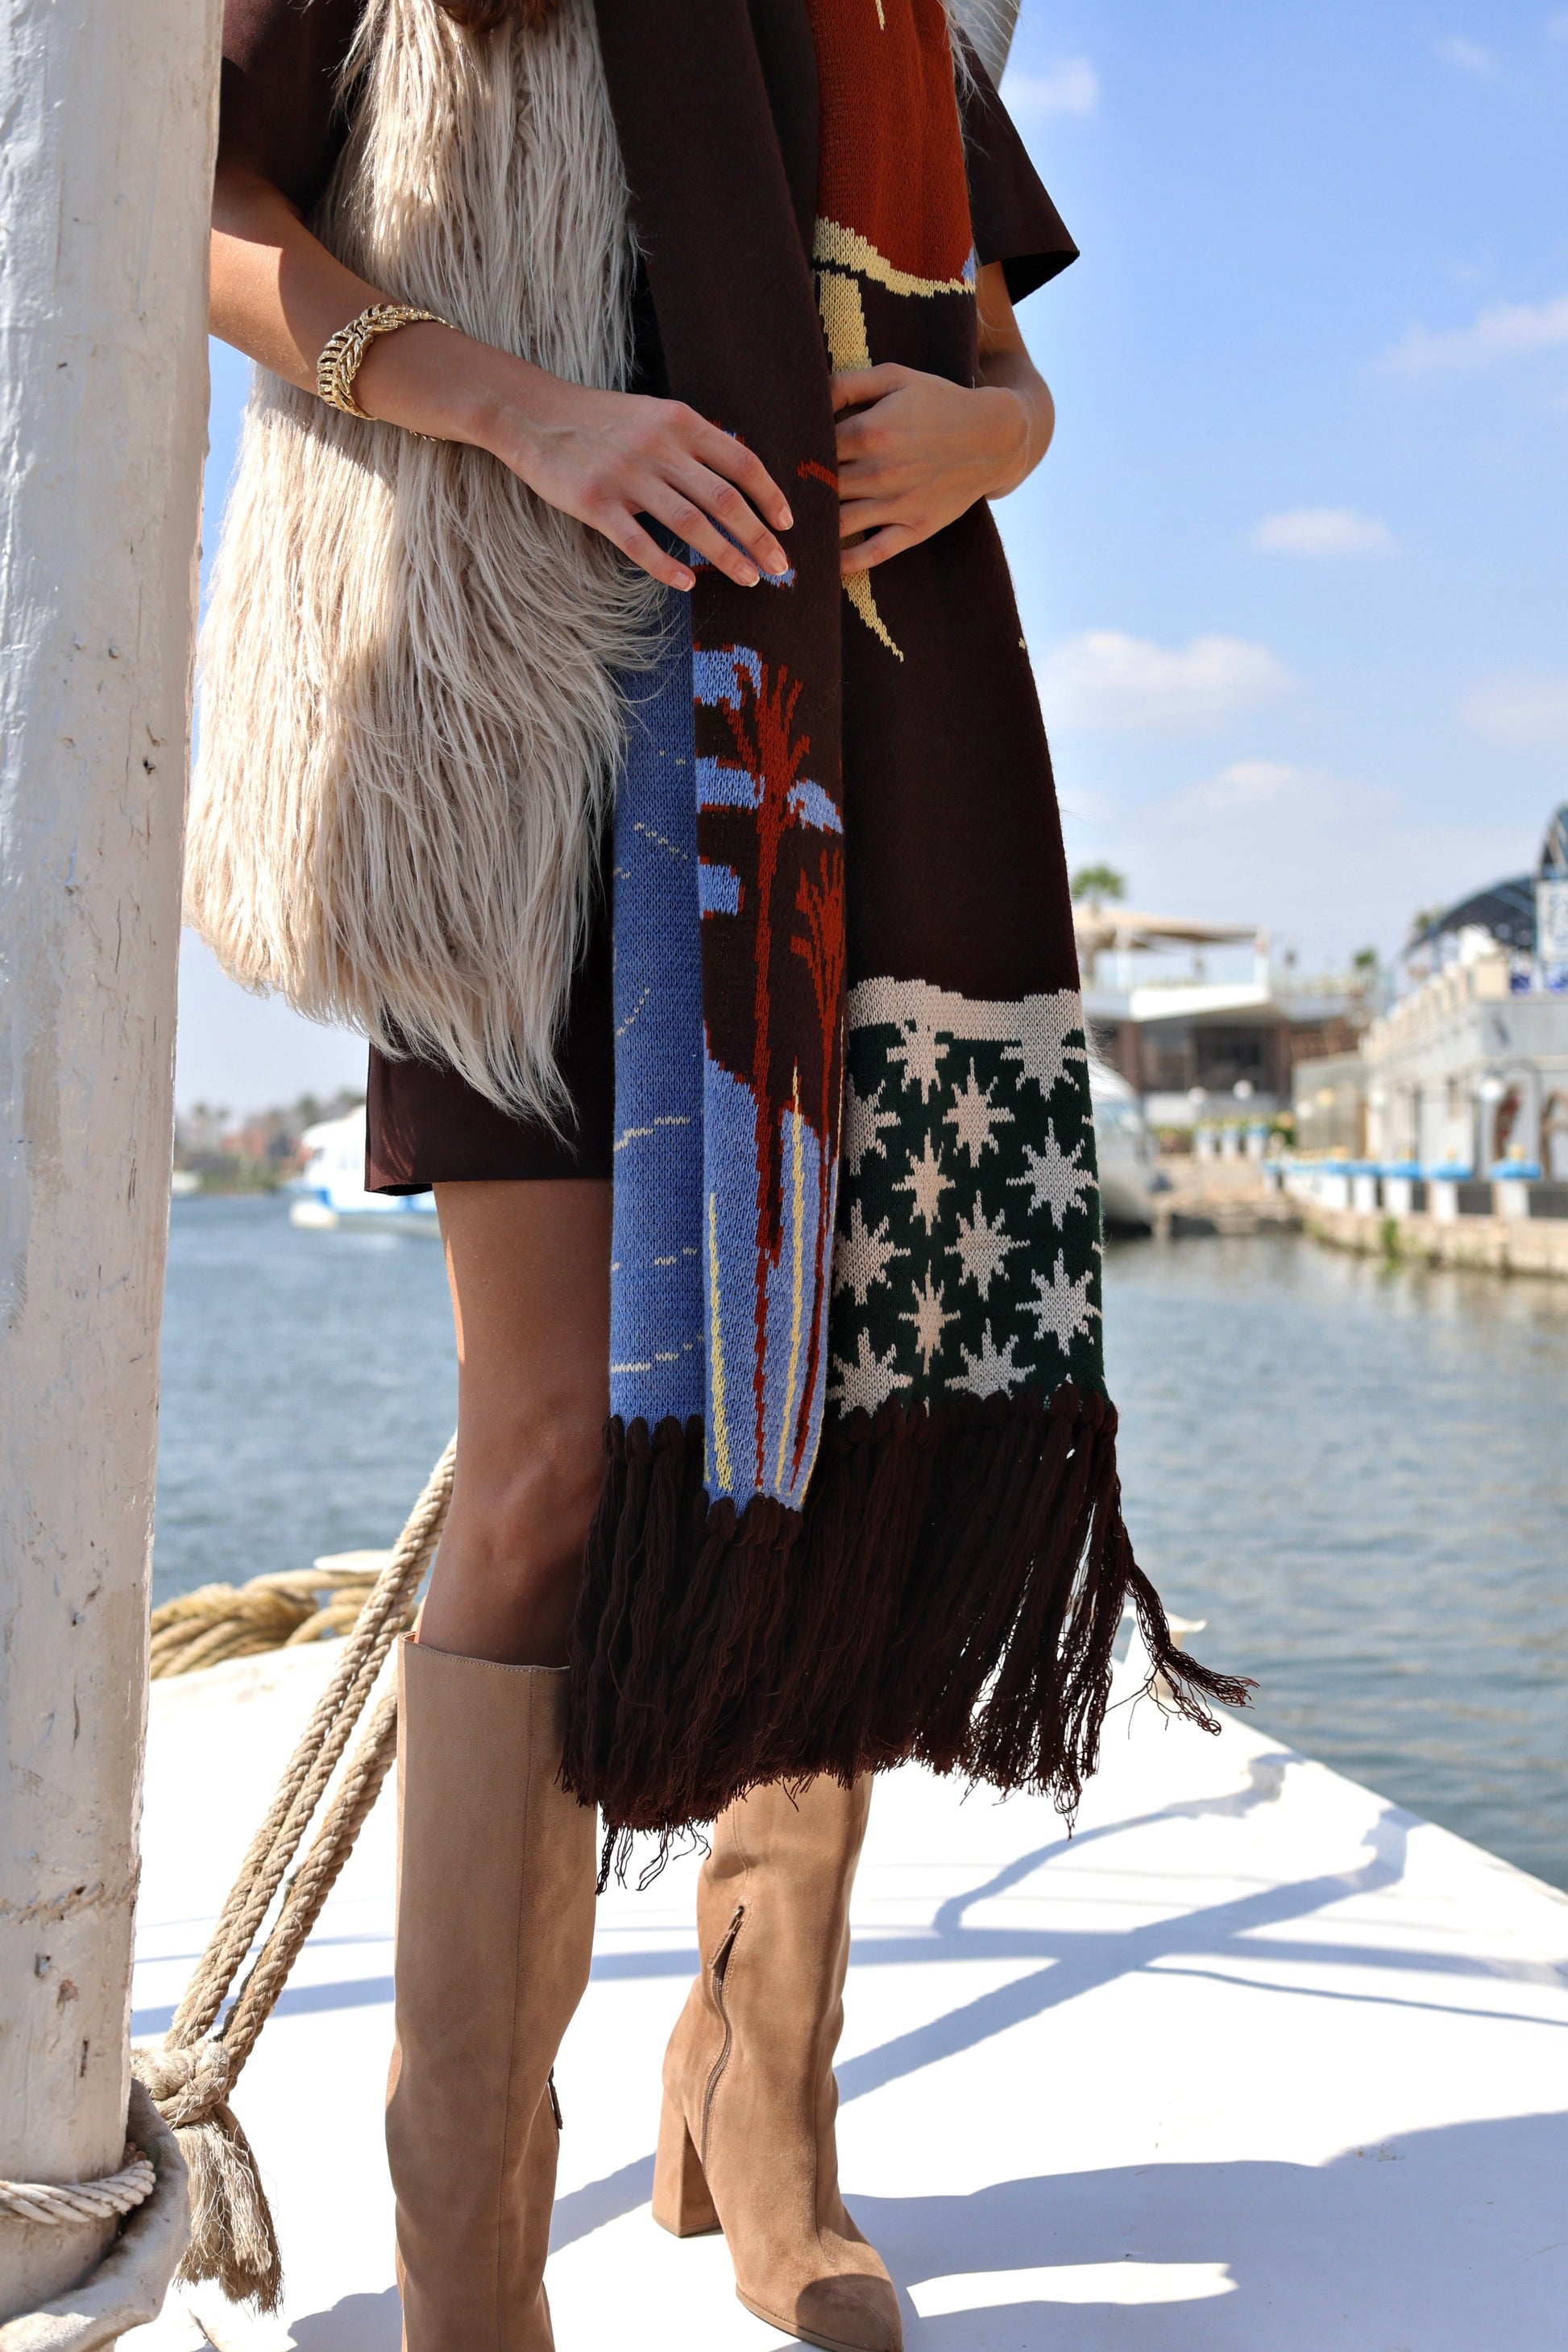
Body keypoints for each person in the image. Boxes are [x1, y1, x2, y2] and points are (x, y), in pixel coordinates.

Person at [198, 2, 1247, 2345]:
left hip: (865, 704)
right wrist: (527, 411)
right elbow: (199, 212)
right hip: (520, 720)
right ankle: (471, 2248)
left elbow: (1002, 365)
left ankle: (762, 2105)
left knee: (839, 1413)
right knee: (547, 1462)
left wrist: (986, 434)